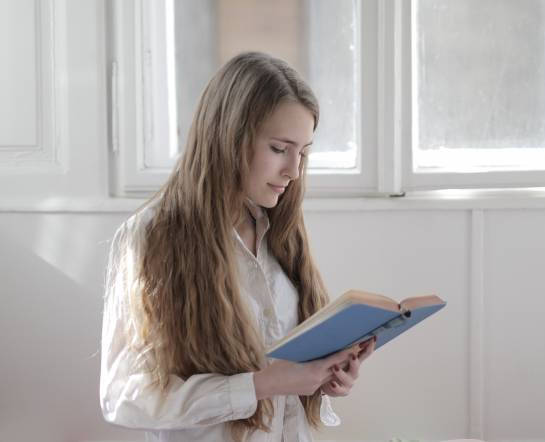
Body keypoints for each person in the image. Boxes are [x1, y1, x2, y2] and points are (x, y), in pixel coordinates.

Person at [99, 52, 375, 442]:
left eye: (303, 152)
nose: (294, 172)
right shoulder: (151, 237)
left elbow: (286, 385)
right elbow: (125, 397)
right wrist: (261, 384)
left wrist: (325, 375)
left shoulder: (278, 228)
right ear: (229, 136)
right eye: (280, 149)